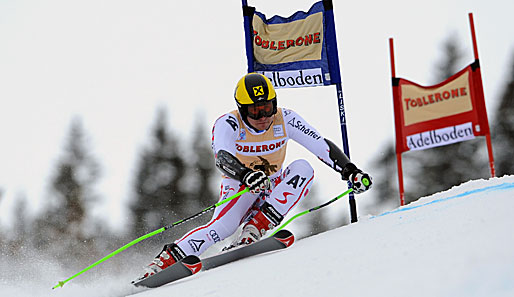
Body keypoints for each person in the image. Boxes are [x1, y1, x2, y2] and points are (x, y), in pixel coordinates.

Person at [137, 73, 372, 280]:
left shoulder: (286, 119)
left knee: (304, 168)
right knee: (223, 228)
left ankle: (255, 228)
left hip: (273, 183)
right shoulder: (228, 123)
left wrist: (350, 171)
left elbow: (320, 146)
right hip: (241, 184)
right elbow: (222, 157)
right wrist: (246, 175)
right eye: (255, 110)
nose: (263, 116)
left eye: (267, 107)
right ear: (242, 109)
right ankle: (166, 260)